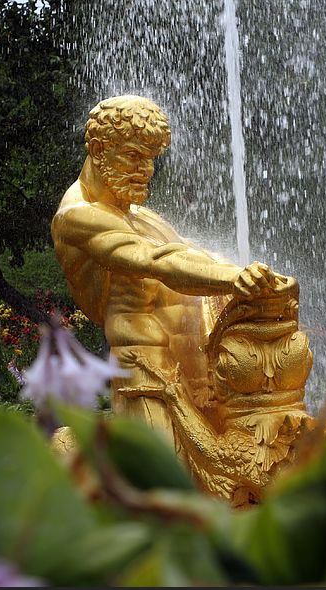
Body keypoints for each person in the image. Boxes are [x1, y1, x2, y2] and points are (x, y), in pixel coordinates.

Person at [52, 95, 287, 446]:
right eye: (133, 156)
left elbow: (190, 254)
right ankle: (73, 453)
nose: (146, 169)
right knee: (166, 481)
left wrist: (254, 278)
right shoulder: (77, 216)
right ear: (99, 149)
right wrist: (233, 279)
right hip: (145, 369)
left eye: (151, 159)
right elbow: (156, 261)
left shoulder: (140, 216)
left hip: (197, 371)